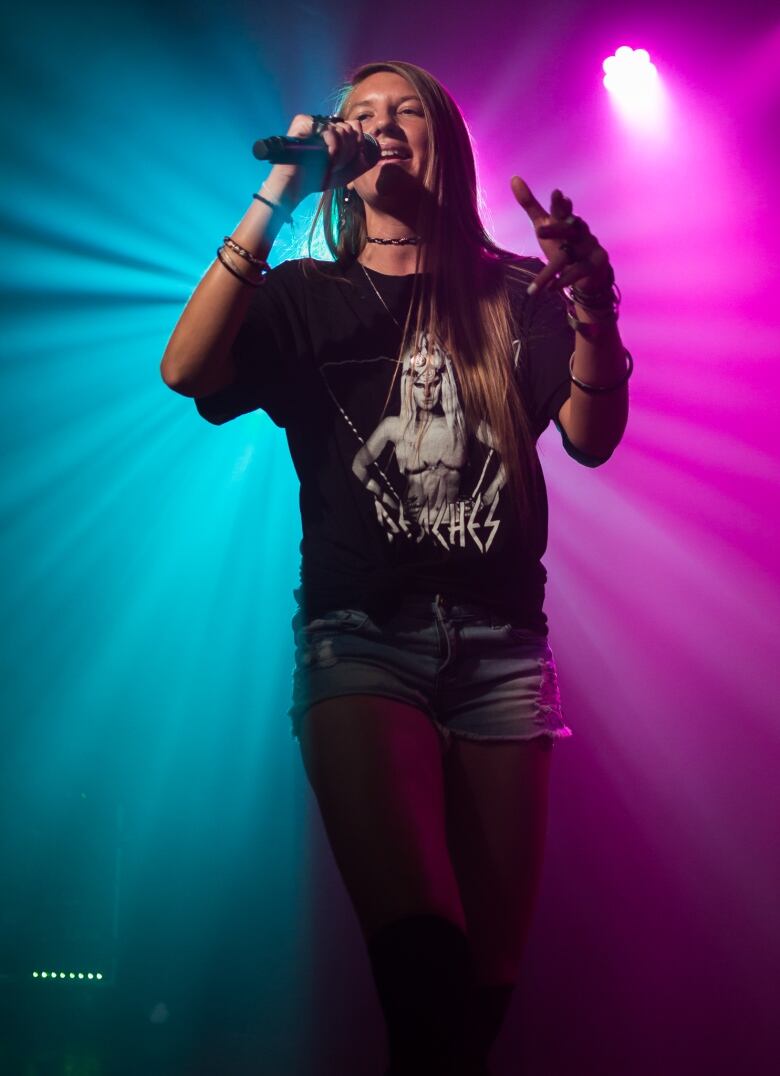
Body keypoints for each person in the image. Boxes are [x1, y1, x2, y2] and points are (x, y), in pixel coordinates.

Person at [161, 60, 630, 1076]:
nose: (380, 124)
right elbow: (187, 369)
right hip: (362, 638)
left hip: (505, 648)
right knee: (423, 958)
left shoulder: (514, 291)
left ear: (444, 143)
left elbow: (592, 437)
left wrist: (593, 305)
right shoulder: (303, 296)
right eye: (359, 114)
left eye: (404, 110)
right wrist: (278, 193)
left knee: (487, 983)